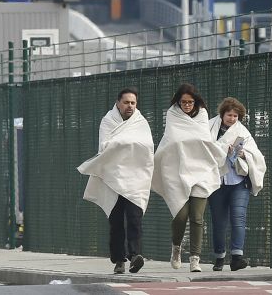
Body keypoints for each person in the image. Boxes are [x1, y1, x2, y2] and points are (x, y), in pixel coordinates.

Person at [77, 87, 154, 275]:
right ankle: (119, 259)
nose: (130, 106)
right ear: (118, 103)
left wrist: (122, 143)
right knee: (116, 222)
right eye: (126, 102)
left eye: (133, 103)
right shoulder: (108, 121)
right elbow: (105, 146)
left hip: (135, 178)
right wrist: (127, 144)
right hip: (112, 178)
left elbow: (147, 146)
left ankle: (135, 255)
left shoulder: (141, 122)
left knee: (135, 219)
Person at [151, 84, 227, 272]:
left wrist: (191, 142)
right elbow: (174, 139)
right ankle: (176, 248)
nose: (186, 105)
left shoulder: (202, 115)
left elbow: (203, 141)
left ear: (196, 102)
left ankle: (195, 259)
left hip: (201, 171)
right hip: (177, 172)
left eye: (190, 102)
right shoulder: (172, 114)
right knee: (180, 216)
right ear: (178, 102)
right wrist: (190, 142)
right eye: (183, 102)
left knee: (197, 217)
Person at [207, 97, 267, 271]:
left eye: (235, 116)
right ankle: (219, 258)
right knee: (218, 222)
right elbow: (203, 148)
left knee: (238, 219)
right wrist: (221, 150)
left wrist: (241, 154)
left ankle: (236, 258)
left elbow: (255, 154)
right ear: (222, 114)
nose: (232, 118)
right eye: (229, 115)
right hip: (216, 181)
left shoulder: (243, 132)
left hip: (238, 181)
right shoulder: (209, 127)